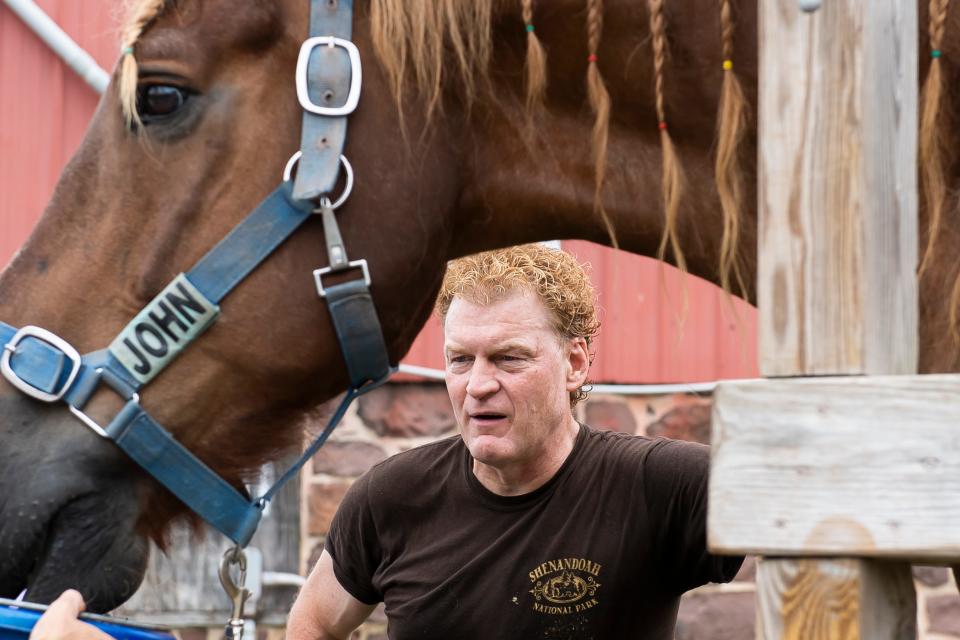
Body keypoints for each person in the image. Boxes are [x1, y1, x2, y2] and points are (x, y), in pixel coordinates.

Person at [287, 243, 744, 640]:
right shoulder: (390, 497)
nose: (478, 385)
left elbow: (805, 504)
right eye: (461, 360)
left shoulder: (657, 487)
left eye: (509, 358)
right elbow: (317, 623)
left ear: (575, 363)